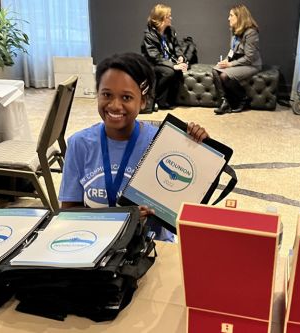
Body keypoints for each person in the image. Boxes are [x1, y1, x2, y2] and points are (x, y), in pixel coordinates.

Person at [58, 53, 208, 241]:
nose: (114, 105)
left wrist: (198, 147)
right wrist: (121, 216)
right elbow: (69, 211)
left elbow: (188, 205)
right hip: (95, 240)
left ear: (143, 101)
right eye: (106, 94)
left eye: (127, 97)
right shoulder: (79, 143)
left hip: (150, 245)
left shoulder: (162, 143)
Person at [213, 4, 262, 115]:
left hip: (251, 64)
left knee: (224, 75)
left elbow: (249, 58)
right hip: (239, 61)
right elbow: (232, 50)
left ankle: (243, 99)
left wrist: (230, 65)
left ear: (239, 17)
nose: (228, 18)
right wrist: (226, 61)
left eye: (231, 15)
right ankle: (225, 102)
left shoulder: (251, 32)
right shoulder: (234, 30)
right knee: (215, 70)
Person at [141, 4, 188, 110]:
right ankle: (157, 99)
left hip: (166, 61)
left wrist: (180, 57)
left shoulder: (170, 30)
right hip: (153, 63)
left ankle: (166, 101)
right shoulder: (149, 35)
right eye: (168, 16)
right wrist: (173, 65)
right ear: (161, 19)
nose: (171, 18)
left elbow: (176, 47)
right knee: (169, 72)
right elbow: (155, 56)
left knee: (177, 71)